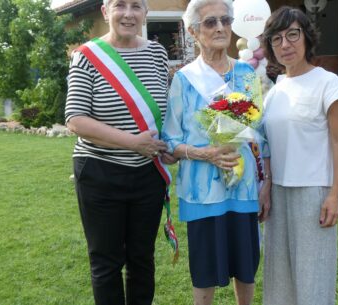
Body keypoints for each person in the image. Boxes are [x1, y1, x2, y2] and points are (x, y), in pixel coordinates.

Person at [64, 0, 176, 304]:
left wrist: (166, 144)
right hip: (100, 171)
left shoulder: (157, 52)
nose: (128, 13)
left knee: (142, 260)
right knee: (106, 263)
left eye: (136, 5)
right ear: (105, 12)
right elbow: (76, 119)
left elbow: (161, 108)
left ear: (145, 13)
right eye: (119, 5)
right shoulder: (86, 56)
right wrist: (133, 143)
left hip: (147, 174)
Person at [161, 0, 270, 304]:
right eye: (210, 22)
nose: (220, 27)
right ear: (194, 31)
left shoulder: (247, 74)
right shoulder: (184, 80)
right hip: (202, 191)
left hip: (245, 186)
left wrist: (266, 183)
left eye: (225, 19)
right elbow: (169, 140)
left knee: (246, 266)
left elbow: (260, 133)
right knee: (205, 269)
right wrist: (204, 153)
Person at [260, 6, 338, 305]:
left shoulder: (327, 83)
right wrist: (267, 184)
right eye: (276, 39)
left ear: (306, 37)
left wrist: (334, 194)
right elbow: (270, 144)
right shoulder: (276, 88)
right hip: (279, 195)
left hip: (313, 194)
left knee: (313, 281)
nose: (285, 45)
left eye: (292, 35)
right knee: (279, 280)